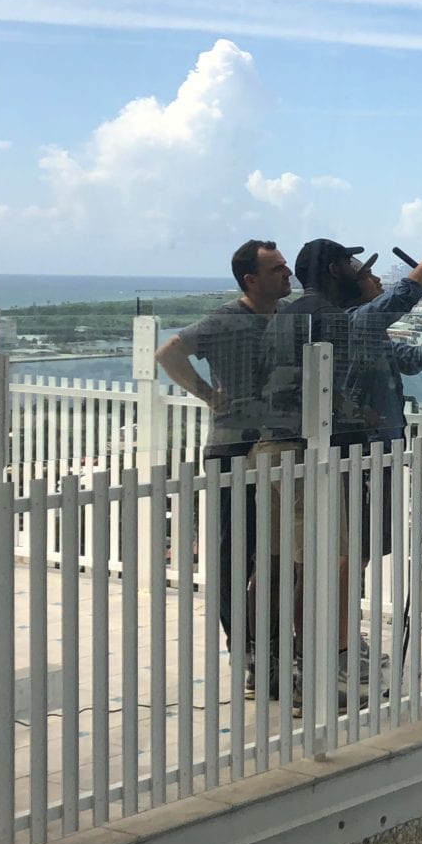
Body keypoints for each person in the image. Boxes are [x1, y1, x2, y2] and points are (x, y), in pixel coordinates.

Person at [258, 224, 422, 703]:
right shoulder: (350, 323)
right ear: (334, 271)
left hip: (374, 452)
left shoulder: (349, 325)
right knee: (347, 558)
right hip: (360, 456)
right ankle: (337, 651)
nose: (362, 272)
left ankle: (340, 644)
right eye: (355, 266)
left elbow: (412, 359)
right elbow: (405, 295)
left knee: (355, 556)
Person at [154, 240, 289, 684]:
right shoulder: (225, 320)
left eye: (286, 267)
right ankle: (245, 651)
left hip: (274, 448)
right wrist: (207, 395)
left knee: (275, 553)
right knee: (237, 555)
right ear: (251, 279)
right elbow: (169, 352)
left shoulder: (288, 319)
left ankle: (268, 643)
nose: (287, 275)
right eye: (276, 270)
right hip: (232, 449)